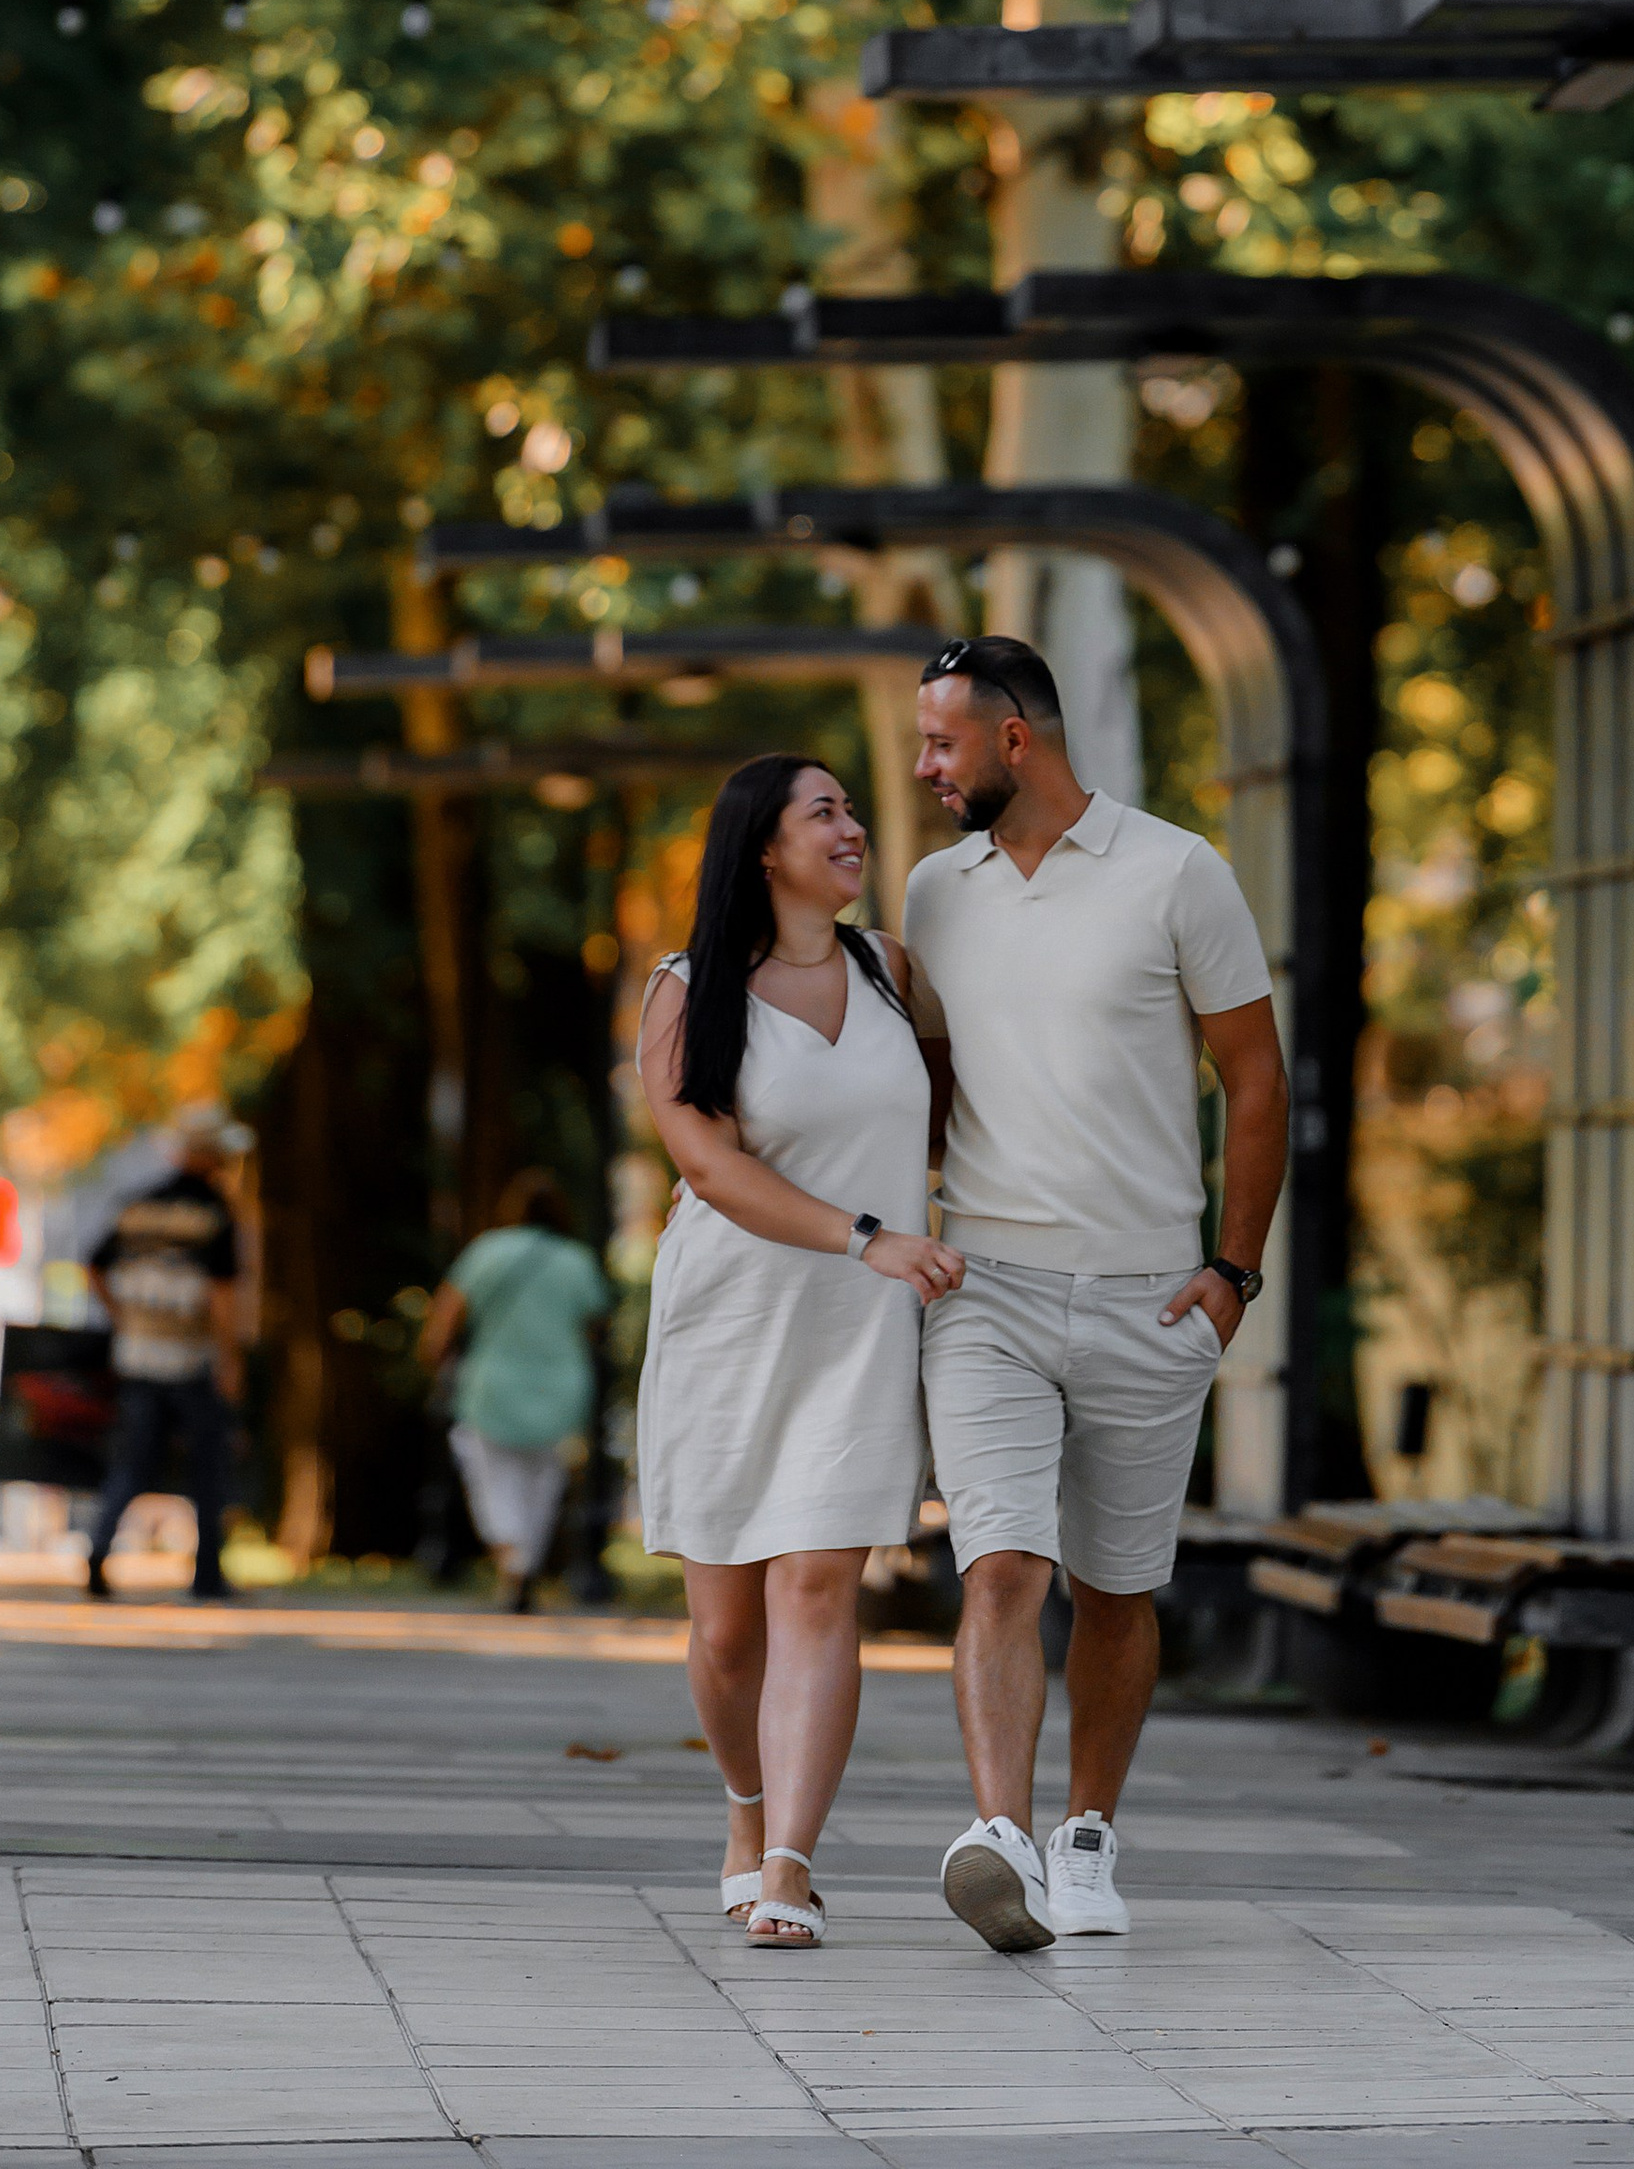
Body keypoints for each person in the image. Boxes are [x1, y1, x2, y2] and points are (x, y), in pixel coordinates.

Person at [906, 632, 1289, 1953]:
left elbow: (1256, 1076)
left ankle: (1083, 1830)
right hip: (987, 1282)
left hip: (1151, 1291)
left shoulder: (1180, 869)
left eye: (941, 742)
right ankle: (999, 1834)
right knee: (1002, 1560)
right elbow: (929, 1083)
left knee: (1117, 1587)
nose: (922, 767)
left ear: (1016, 737)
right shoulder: (933, 888)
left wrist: (1234, 1270)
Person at [635, 754, 959, 1950]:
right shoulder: (686, 990)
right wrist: (862, 1233)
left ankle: (787, 1864)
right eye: (822, 811)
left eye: (850, 808)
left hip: (858, 1325)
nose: (852, 826)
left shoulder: (891, 970)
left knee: (819, 1586)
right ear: (763, 850)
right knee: (726, 1629)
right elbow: (709, 1167)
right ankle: (744, 1807)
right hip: (730, 1317)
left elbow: (956, 1109)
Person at [416, 1168, 611, 1615]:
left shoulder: (486, 1253)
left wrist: (435, 1361)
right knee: (543, 1483)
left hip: (493, 1383)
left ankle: (513, 1561)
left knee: (491, 1478)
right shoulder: (576, 1260)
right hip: (559, 1384)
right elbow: (596, 1326)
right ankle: (524, 1563)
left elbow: (445, 1319)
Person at [83, 1107, 251, 1603]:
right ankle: (207, 1574)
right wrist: (231, 1358)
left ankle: (98, 1547)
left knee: (131, 1464)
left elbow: (94, 1267)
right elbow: (222, 1295)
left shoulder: (138, 1204)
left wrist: (122, 1319)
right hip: (192, 1357)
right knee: (208, 1466)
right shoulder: (215, 1211)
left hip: (137, 1353)